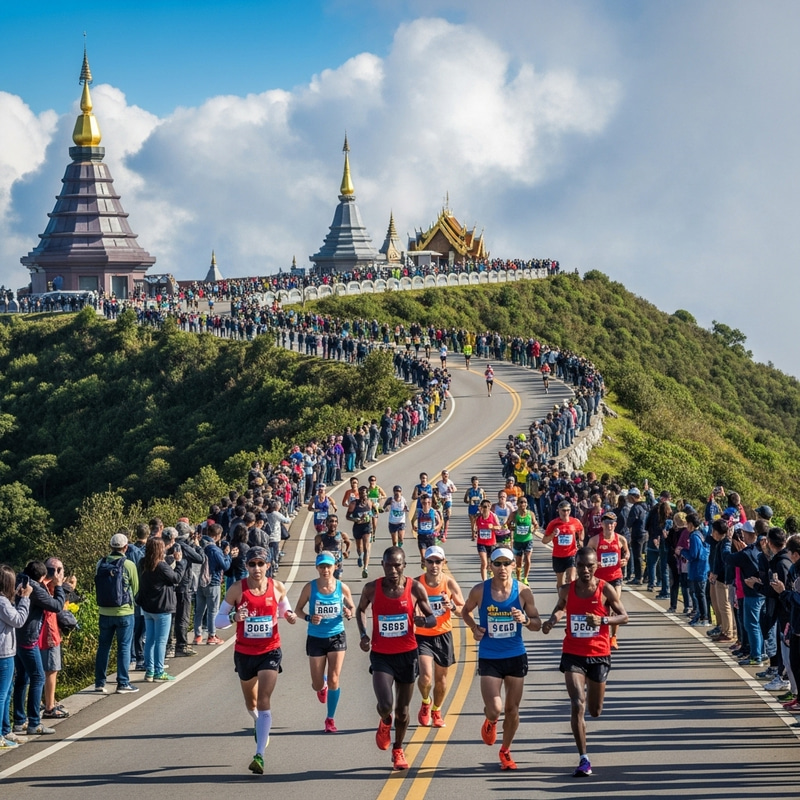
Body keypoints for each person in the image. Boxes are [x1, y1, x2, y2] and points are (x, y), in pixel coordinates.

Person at [542, 546, 629, 778]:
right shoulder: (566, 589)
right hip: (573, 653)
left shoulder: (605, 589)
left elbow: (624, 616)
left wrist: (603, 620)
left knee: (595, 710)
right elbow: (560, 608)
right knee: (577, 704)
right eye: (581, 565)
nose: (585, 570)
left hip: (599, 653)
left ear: (596, 566)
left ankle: (594, 686)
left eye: (590, 566)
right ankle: (583, 758)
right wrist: (552, 621)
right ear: (576, 566)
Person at [214, 546, 297, 775]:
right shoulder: (236, 590)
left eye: (261, 564)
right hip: (244, 653)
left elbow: (284, 609)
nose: (257, 568)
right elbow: (218, 622)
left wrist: (289, 616)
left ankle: (259, 754)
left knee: (264, 700)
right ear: (247, 566)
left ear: (268, 565)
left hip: (270, 651)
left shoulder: (277, 587)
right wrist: (233, 616)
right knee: (251, 705)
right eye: (252, 564)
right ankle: (258, 724)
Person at [461, 547, 542, 770]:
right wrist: (474, 628)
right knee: (495, 708)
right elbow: (465, 611)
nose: (502, 568)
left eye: (507, 563)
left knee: (513, 710)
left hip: (515, 654)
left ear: (513, 566)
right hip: (490, 655)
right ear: (491, 567)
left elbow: (537, 624)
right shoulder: (480, 590)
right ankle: (491, 721)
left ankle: (505, 750)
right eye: (498, 563)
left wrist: (524, 619)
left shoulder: (523, 592)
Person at [356, 546, 436, 771]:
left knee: (402, 711)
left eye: (397, 565)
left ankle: (398, 749)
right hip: (382, 656)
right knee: (385, 705)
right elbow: (360, 610)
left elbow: (431, 618)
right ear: (382, 565)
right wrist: (363, 634)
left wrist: (423, 622)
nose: (393, 569)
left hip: (408, 655)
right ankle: (384, 722)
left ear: (404, 566)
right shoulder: (372, 588)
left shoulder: (415, 588)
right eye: (389, 565)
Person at [296, 552, 356, 732]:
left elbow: (352, 607)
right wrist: (308, 617)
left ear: (335, 567)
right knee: (316, 684)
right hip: (316, 637)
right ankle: (320, 685)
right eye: (322, 567)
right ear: (317, 568)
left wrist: (348, 612)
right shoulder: (310, 587)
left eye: (328, 566)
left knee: (334, 679)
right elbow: (298, 609)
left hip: (337, 635)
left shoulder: (342, 587)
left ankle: (330, 719)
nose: (325, 570)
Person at [415, 546, 465, 728]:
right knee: (426, 677)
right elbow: (406, 609)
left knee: (441, 680)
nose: (434, 565)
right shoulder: (416, 584)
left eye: (438, 561)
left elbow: (463, 611)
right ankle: (426, 702)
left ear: (444, 563)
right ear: (424, 563)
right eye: (430, 561)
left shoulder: (449, 583)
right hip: (422, 636)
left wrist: (451, 606)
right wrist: (416, 615)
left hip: (443, 634)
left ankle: (436, 709)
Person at [94, 532, 139, 694]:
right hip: (124, 612)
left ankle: (99, 682)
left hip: (104, 612)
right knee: (124, 647)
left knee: (103, 647)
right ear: (125, 547)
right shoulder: (129, 565)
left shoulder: (101, 563)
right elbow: (136, 589)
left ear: (111, 546)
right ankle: (123, 683)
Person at [137, 537, 187, 681]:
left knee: (150, 640)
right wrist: (179, 562)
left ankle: (149, 671)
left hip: (148, 607)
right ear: (160, 549)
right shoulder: (161, 566)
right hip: (163, 607)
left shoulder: (143, 563)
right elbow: (176, 578)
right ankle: (159, 671)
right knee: (161, 641)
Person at [587, 511, 630, 649]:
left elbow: (627, 552)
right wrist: (594, 564)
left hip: (615, 577)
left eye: (611, 523)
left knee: (615, 606)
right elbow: (586, 555)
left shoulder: (620, 539)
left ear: (615, 524)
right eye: (606, 523)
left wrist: (625, 559)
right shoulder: (595, 540)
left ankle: (613, 637)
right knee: (600, 608)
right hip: (600, 580)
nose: (609, 526)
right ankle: (599, 635)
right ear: (602, 524)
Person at [1, 564, 31, 748]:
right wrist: (25, 599)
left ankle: (5, 730)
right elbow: (18, 620)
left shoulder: (5, 602)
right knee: (2, 695)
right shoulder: (2, 602)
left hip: (7, 651)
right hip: (3, 653)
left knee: (7, 692)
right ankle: (1, 733)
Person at [542, 500, 584, 587]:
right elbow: (544, 540)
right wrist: (553, 534)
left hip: (571, 554)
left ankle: (570, 599)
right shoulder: (553, 524)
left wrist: (580, 540)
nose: (566, 512)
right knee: (560, 583)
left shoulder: (575, 522)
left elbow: (581, 529)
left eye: (568, 510)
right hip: (558, 556)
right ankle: (562, 599)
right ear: (558, 510)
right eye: (563, 510)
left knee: (571, 579)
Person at [347, 485, 374, 579]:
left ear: (367, 493)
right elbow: (347, 516)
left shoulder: (369, 502)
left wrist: (371, 515)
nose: (363, 495)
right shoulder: (354, 504)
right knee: (359, 547)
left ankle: (365, 569)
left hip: (367, 527)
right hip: (357, 527)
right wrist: (355, 519)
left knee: (367, 547)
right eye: (361, 493)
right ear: (359, 493)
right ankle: (360, 556)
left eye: (365, 493)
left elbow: (373, 512)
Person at [411, 494, 443, 570]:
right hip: (421, 537)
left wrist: (435, 528)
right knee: (423, 556)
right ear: (422, 503)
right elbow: (412, 520)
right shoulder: (418, 512)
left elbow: (440, 522)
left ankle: (429, 570)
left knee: (431, 556)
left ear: (430, 502)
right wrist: (413, 527)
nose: (426, 504)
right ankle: (423, 563)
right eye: (424, 503)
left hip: (430, 537)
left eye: (428, 503)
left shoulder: (434, 512)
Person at [314, 514, 351, 579]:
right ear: (326, 523)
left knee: (338, 582)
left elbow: (349, 542)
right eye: (331, 521)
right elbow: (317, 550)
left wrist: (347, 552)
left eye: (335, 521)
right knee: (327, 581)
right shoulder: (321, 536)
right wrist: (318, 546)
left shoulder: (341, 535)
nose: (333, 523)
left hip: (338, 563)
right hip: (327, 563)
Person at [473, 499, 502, 581]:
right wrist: (474, 533)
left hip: (491, 543)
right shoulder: (478, 517)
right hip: (481, 543)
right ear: (481, 507)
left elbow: (499, 527)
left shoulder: (493, 516)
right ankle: (485, 581)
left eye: (488, 506)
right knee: (484, 563)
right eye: (485, 506)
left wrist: (493, 527)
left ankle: (493, 578)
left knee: (491, 564)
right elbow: (474, 525)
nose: (487, 508)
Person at [509, 496, 535, 585]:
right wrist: (511, 527)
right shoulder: (514, 514)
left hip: (528, 540)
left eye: (524, 502)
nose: (523, 504)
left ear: (527, 504)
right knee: (519, 561)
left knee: (527, 558)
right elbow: (508, 524)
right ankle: (518, 578)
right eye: (521, 502)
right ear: (517, 504)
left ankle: (525, 578)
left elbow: (536, 524)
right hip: (518, 540)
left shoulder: (530, 514)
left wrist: (533, 528)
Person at [435, 470, 457, 542]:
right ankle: (439, 531)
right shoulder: (439, 483)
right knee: (440, 516)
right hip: (441, 501)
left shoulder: (450, 482)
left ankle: (445, 532)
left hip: (448, 500)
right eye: (444, 475)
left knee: (447, 516)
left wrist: (452, 490)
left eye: (447, 475)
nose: (445, 476)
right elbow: (436, 491)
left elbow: (455, 489)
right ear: (442, 475)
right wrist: (438, 496)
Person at [366, 475, 387, 543]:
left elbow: (385, 495)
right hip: (369, 507)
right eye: (371, 480)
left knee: (374, 523)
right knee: (369, 522)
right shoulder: (367, 489)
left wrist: (381, 497)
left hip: (376, 506)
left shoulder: (378, 488)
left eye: (374, 480)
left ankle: (373, 534)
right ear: (369, 481)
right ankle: (370, 535)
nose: (373, 482)